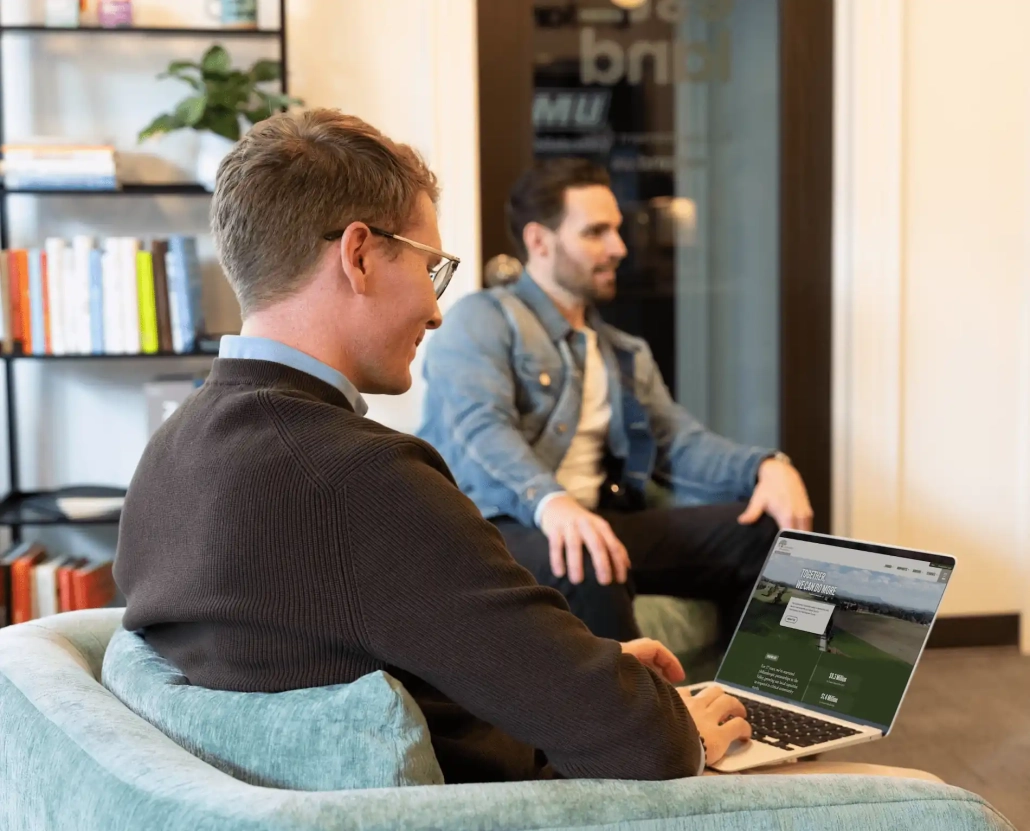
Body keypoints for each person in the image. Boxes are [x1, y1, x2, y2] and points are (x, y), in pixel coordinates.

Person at [114, 110, 936, 786]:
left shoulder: (170, 452)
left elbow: (336, 645)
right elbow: (639, 748)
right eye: (431, 270)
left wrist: (591, 664)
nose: (436, 312)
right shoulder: (360, 475)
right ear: (360, 255)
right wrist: (658, 718)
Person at [418, 157, 814, 645]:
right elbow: (480, 428)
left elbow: (680, 444)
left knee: (764, 537)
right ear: (540, 241)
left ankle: (754, 705)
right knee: (588, 554)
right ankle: (646, 721)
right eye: (596, 232)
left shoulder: (622, 352)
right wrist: (551, 502)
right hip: (497, 532)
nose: (619, 248)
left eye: (617, 231)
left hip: (591, 524)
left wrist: (767, 468)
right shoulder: (482, 319)